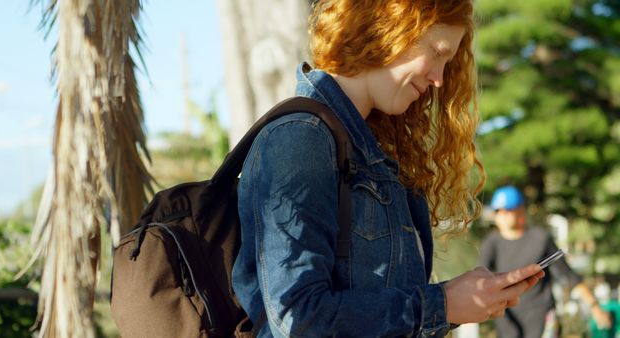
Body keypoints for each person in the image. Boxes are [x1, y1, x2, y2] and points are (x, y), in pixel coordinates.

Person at [232, 1, 545, 336]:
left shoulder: (371, 151)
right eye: (438, 52)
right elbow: (298, 318)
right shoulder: (302, 138)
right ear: (388, 25)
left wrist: (460, 301)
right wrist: (442, 304)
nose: (439, 79)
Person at [480, 185, 612, 338]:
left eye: (507, 210)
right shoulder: (491, 243)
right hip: (508, 321)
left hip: (542, 317)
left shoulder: (540, 239)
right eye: (498, 211)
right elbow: (481, 281)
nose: (502, 216)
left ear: (521, 210)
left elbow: (568, 276)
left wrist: (594, 307)